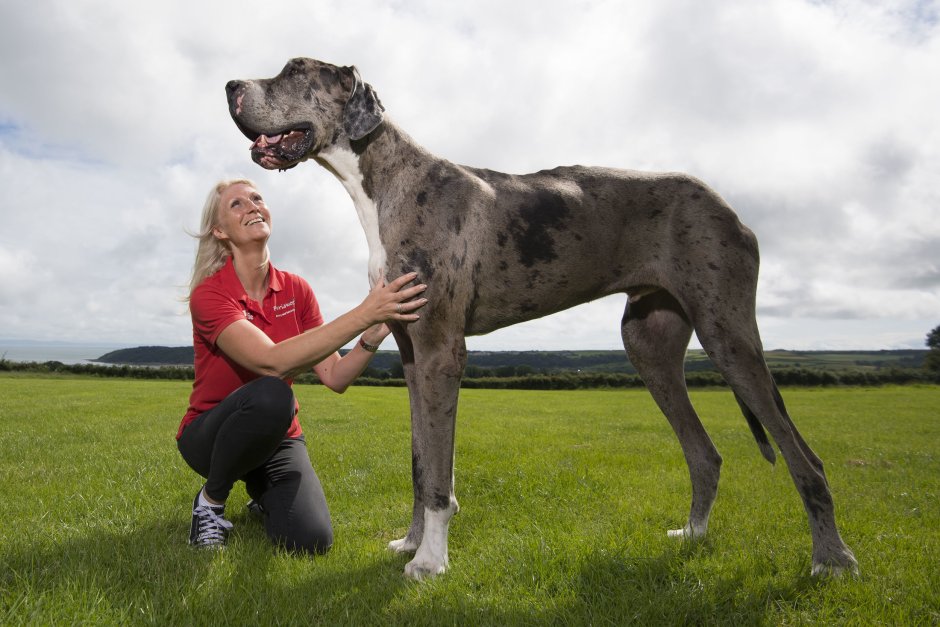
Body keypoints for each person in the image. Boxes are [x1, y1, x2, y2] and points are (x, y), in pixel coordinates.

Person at [177, 178, 426, 553]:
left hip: (277, 439)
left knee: (310, 541)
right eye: (237, 205)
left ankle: (262, 496)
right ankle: (210, 503)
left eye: (257, 198)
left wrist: (372, 334)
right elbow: (270, 362)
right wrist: (364, 311)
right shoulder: (210, 294)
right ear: (219, 231)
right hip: (210, 437)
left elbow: (335, 376)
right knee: (274, 394)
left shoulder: (297, 290)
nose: (252, 207)